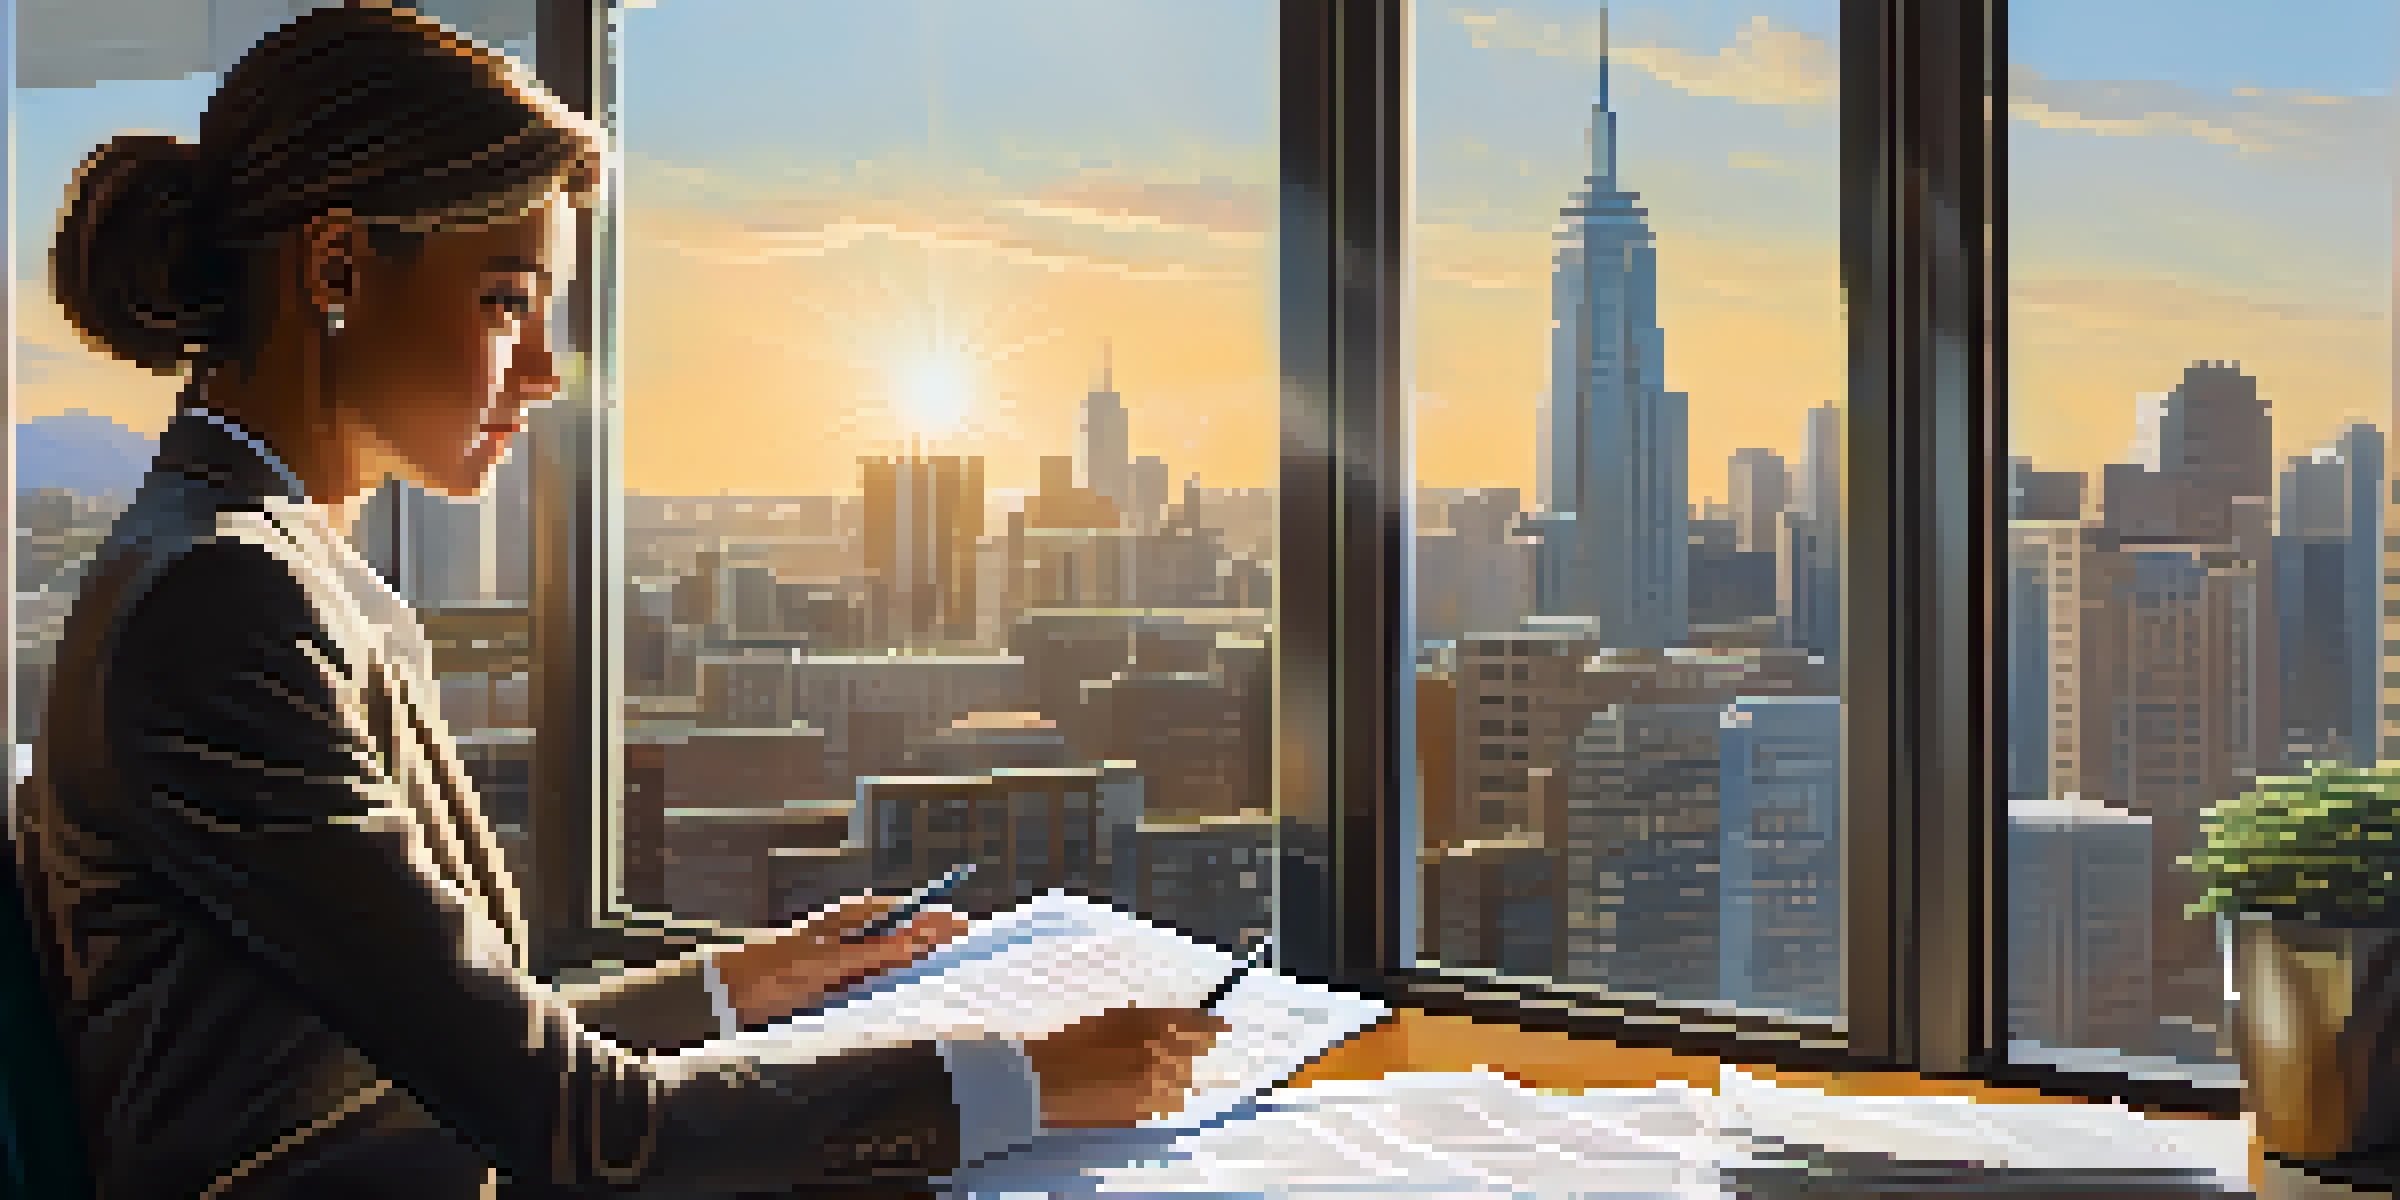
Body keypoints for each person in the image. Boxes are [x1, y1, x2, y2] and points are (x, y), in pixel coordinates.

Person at [9, 4, 1223, 1197]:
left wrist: (738, 986)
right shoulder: (224, 603)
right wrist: (1015, 1085)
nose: (543, 372)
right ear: (336, 268)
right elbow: (573, 1128)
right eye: (505, 299)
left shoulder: (264, 562)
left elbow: (443, 1058)